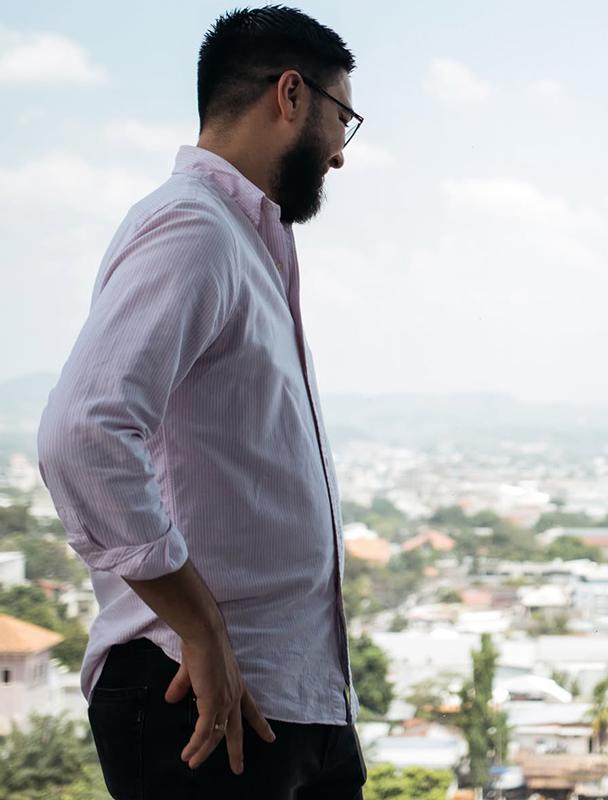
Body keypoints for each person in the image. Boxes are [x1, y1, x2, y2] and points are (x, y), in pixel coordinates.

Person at [37, 7, 367, 798]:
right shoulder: (195, 229)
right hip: (201, 701)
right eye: (342, 119)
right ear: (291, 95)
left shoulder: (244, 242)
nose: (340, 157)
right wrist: (202, 626)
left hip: (287, 701)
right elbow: (82, 435)